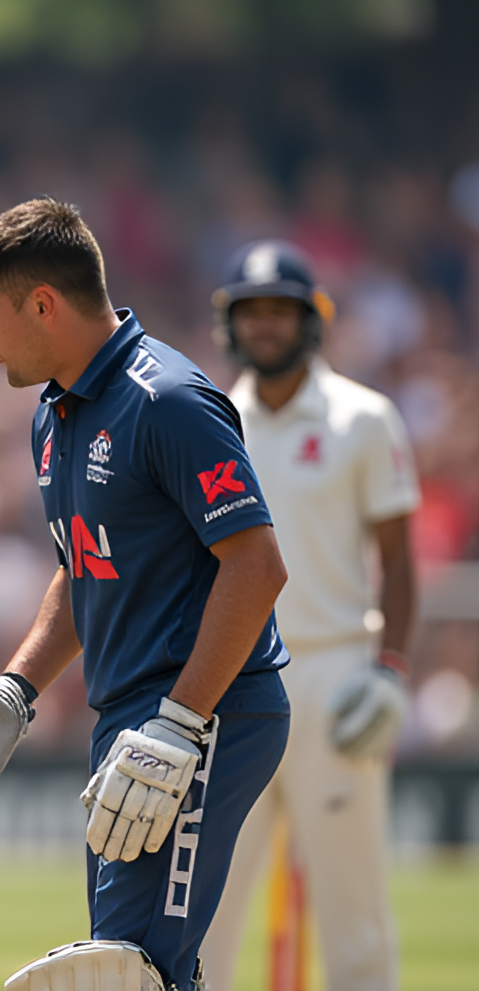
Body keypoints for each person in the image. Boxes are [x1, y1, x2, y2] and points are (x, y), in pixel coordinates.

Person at [0, 199, 291, 991]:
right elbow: (86, 568)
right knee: (128, 968)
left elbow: (257, 566)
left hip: (204, 713)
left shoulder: (167, 398)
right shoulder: (53, 415)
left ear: (43, 304)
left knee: (133, 972)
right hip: (135, 723)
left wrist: (179, 724)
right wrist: (15, 692)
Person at [198, 240, 419, 991]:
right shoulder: (211, 419)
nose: (265, 326)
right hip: (236, 675)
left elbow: (399, 558)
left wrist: (388, 671)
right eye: (250, 312)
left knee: (352, 911)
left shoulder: (364, 418)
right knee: (207, 908)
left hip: (333, 674)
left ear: (312, 320)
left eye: (280, 311)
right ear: (230, 321)